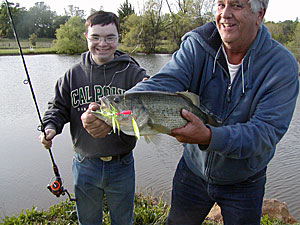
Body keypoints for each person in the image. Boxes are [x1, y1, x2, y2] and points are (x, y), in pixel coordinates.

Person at [81, 0, 299, 224]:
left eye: (236, 5)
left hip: (245, 180)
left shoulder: (281, 66)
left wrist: (209, 136)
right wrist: (119, 107)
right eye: (220, 4)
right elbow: (164, 81)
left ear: (259, 14)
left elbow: (266, 132)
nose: (225, 14)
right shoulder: (198, 45)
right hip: (193, 171)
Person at [40, 11, 148, 225]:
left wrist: (150, 84)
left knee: (122, 220)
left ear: (119, 37)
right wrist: (50, 127)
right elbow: (58, 107)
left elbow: (151, 90)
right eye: (95, 37)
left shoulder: (132, 72)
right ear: (86, 37)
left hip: (122, 164)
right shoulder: (73, 74)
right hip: (84, 164)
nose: (103, 44)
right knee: (88, 221)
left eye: (110, 37)